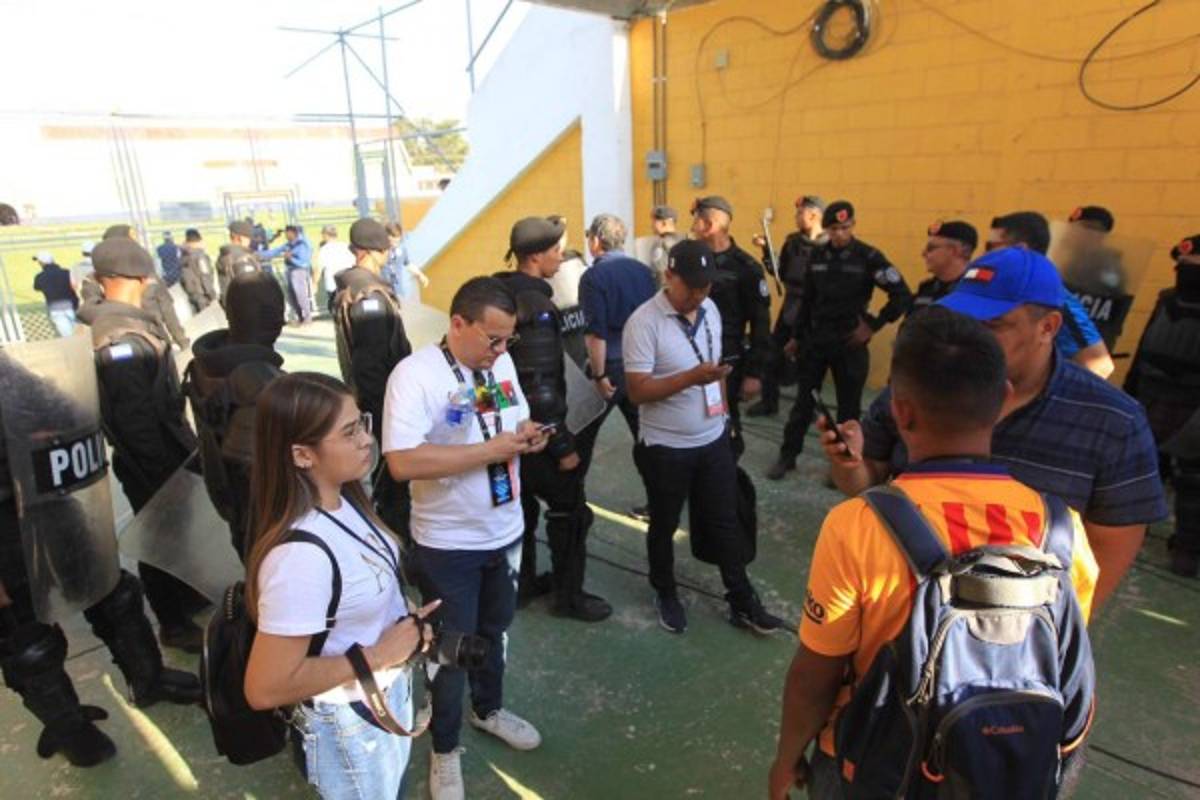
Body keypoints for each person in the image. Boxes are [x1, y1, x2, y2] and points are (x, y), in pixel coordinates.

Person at [769, 306, 1098, 800]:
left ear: (901, 410)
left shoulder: (859, 525)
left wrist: (787, 755)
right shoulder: (1059, 527)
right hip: (1005, 765)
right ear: (1003, 399)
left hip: (875, 764)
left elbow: (816, 674)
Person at [822, 247, 1167, 609]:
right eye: (964, 320)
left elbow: (1108, 549)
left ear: (1048, 327)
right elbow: (867, 481)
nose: (972, 338)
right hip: (901, 614)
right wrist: (850, 467)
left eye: (992, 326)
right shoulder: (922, 383)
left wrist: (1050, 637)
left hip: (1018, 640)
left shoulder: (1114, 422)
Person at [0, 341, 200, 769]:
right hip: (4, 536)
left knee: (115, 596)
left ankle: (148, 678)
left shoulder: (7, 370)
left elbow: (63, 410)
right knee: (26, 643)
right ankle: (71, 729)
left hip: (53, 508)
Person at [383, 277, 547, 800]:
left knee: (495, 633)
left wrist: (527, 438)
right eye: (492, 339)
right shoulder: (414, 376)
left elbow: (507, 423)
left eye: (508, 341)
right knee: (451, 652)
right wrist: (490, 452)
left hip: (505, 530)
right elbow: (402, 461)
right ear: (457, 324)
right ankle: (444, 749)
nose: (501, 352)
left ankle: (488, 709)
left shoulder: (499, 364)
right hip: (448, 543)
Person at [243, 372, 438, 800]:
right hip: (349, 722)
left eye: (363, 423)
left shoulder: (344, 500)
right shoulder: (299, 559)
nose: (367, 440)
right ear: (301, 454)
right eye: (349, 433)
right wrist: (380, 654)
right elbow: (264, 687)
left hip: (380, 694)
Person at [623, 239, 785, 635]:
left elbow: (715, 370)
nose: (698, 294)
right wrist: (690, 379)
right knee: (663, 524)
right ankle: (665, 591)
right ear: (669, 277)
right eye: (691, 286)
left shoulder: (710, 309)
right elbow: (639, 391)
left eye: (706, 286)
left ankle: (741, 599)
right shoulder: (643, 323)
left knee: (725, 519)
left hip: (713, 439)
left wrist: (727, 420)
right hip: (666, 448)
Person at [76, 238, 206, 652]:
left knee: (176, 535)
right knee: (159, 536)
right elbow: (134, 420)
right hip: (152, 458)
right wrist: (165, 473)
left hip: (159, 451)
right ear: (143, 278)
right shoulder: (120, 338)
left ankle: (185, 598)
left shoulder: (117, 326)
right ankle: (173, 621)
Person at [495, 216, 611, 622]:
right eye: (556, 251)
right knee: (570, 513)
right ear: (534, 256)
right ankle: (568, 598)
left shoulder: (498, 295)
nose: (561, 259)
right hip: (538, 437)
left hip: (502, 433)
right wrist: (562, 447)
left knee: (521, 510)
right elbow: (540, 388)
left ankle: (522, 586)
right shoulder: (539, 308)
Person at [768, 200, 912, 480]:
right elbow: (807, 301)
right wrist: (797, 337)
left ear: (853, 226)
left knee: (848, 411)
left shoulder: (868, 257)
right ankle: (787, 457)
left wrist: (873, 324)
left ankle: (844, 466)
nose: (840, 234)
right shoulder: (817, 257)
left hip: (850, 344)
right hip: (816, 341)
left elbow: (901, 294)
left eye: (845, 228)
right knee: (803, 405)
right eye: (834, 229)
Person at [185, 271, 286, 559]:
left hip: (232, 504)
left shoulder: (205, 365)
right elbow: (266, 473)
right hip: (268, 520)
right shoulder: (260, 385)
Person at [331, 219, 414, 542]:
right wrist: (389, 410)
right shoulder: (369, 297)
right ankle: (399, 544)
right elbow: (370, 363)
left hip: (371, 399)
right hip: (382, 402)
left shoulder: (348, 290)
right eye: (384, 250)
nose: (387, 256)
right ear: (371, 252)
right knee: (393, 483)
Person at [1124, 234, 1200, 577]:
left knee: (1191, 478)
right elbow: (1142, 351)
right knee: (1144, 467)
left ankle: (1188, 545)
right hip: (1153, 397)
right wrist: (1131, 392)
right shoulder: (1166, 299)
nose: (1186, 272)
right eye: (1182, 266)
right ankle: (1131, 532)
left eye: (1193, 266)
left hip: (1191, 403)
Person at [576, 213, 657, 520]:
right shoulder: (643, 272)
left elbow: (596, 333)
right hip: (643, 366)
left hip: (609, 367)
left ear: (596, 241)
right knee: (645, 435)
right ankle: (657, 502)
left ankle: (573, 501)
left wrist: (597, 376)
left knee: (581, 435)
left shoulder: (593, 278)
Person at [688, 196, 770, 457]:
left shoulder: (746, 268)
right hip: (688, 359)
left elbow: (761, 324)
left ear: (708, 224)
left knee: (725, 421)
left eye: (695, 220)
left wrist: (754, 374)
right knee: (693, 420)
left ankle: (727, 478)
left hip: (727, 362)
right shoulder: (691, 260)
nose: (691, 226)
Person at [987, 211, 1115, 378]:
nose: (986, 255)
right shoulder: (991, 290)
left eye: (992, 247)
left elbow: (1099, 366)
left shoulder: (1055, 297)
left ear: (1021, 249)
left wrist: (1039, 397)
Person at [747, 195, 826, 417]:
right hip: (791, 308)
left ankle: (807, 408)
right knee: (772, 355)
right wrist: (765, 250)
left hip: (814, 312)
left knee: (809, 363)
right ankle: (769, 403)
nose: (796, 217)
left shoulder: (829, 245)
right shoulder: (793, 243)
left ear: (814, 214)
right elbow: (779, 272)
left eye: (800, 213)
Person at [907, 219, 977, 316]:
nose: (923, 254)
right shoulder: (926, 289)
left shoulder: (978, 290)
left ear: (955, 251)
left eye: (931, 248)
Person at [260, 224, 314, 325]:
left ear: (293, 233)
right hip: (290, 271)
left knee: (300, 294)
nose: (285, 235)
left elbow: (304, 262)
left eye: (287, 233)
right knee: (291, 296)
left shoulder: (303, 244)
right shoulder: (289, 244)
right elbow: (274, 252)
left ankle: (307, 318)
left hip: (299, 271)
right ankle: (300, 317)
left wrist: (291, 258)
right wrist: (259, 254)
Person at [32, 252, 79, 337]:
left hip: (56, 308)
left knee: (68, 337)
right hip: (73, 306)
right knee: (81, 335)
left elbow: (36, 287)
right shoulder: (67, 272)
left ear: (41, 263)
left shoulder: (40, 277)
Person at [633, 205, 683, 284]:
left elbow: (661, 270)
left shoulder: (669, 242)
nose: (652, 226)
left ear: (664, 223)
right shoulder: (662, 241)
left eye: (654, 222)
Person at [216, 220, 262, 301]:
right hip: (248, 305)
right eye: (248, 238)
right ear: (240, 238)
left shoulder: (225, 255)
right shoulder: (241, 259)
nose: (250, 241)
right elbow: (251, 288)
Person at [382, 222, 428, 301]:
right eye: (392, 237)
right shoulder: (380, 250)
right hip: (383, 288)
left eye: (397, 238)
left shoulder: (402, 250)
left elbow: (408, 264)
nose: (395, 241)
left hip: (398, 289)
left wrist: (420, 275)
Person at [316, 224, 354, 315]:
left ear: (325, 235)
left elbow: (318, 268)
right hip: (347, 281)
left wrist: (314, 284)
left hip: (332, 284)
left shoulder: (324, 249)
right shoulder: (345, 246)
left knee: (336, 309)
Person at [178, 229, 217, 313]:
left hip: (192, 294)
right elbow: (205, 276)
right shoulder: (200, 257)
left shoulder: (184, 256)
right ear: (199, 241)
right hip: (204, 296)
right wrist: (212, 295)